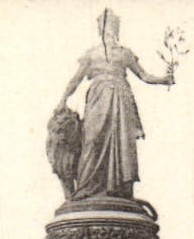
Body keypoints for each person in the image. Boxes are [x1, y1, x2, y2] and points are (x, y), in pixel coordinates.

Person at [56, 10, 174, 201]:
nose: (107, 30)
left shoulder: (125, 54)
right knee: (92, 139)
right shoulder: (91, 54)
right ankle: (87, 188)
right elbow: (75, 80)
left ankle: (118, 189)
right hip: (98, 97)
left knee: (122, 142)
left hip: (121, 98)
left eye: (111, 25)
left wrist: (164, 79)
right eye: (104, 26)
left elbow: (144, 76)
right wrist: (62, 100)